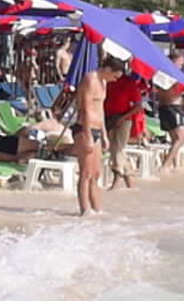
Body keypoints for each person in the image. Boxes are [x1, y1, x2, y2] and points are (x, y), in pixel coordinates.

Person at [59, 57, 107, 216]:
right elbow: (85, 109)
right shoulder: (89, 80)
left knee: (96, 173)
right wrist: (87, 134)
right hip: (84, 128)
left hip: (97, 128)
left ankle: (97, 209)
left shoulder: (104, 83)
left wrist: (104, 134)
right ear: (108, 69)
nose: (116, 79)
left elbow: (101, 109)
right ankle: (85, 210)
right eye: (115, 75)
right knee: (86, 172)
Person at [101, 59, 146, 190]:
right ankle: (129, 182)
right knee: (114, 149)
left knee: (118, 149)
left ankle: (116, 179)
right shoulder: (105, 81)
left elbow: (138, 106)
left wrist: (123, 117)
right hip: (108, 118)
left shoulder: (129, 84)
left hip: (124, 119)